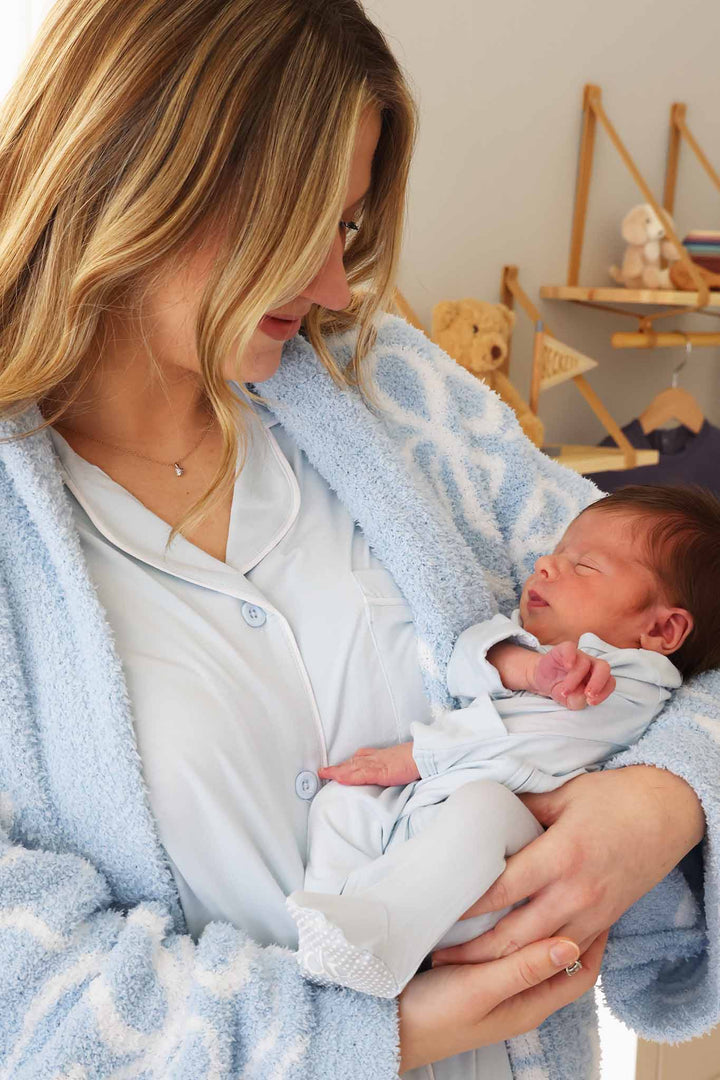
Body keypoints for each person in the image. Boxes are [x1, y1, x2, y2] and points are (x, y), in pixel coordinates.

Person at [0, 2, 715, 1078]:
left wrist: (660, 800)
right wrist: (375, 1031)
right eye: (302, 229)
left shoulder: (388, 390)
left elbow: (670, 612)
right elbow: (26, 993)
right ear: (141, 176)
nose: (339, 288)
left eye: (345, 230)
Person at [286, 485, 720, 998]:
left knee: (485, 807)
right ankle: (331, 927)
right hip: (421, 824)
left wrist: (412, 758)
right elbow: (463, 661)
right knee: (343, 803)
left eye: (585, 566)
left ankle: (383, 935)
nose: (546, 565)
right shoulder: (538, 646)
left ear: (662, 631)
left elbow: (511, 737)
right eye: (556, 552)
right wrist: (526, 668)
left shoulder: (629, 684)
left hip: (492, 871)